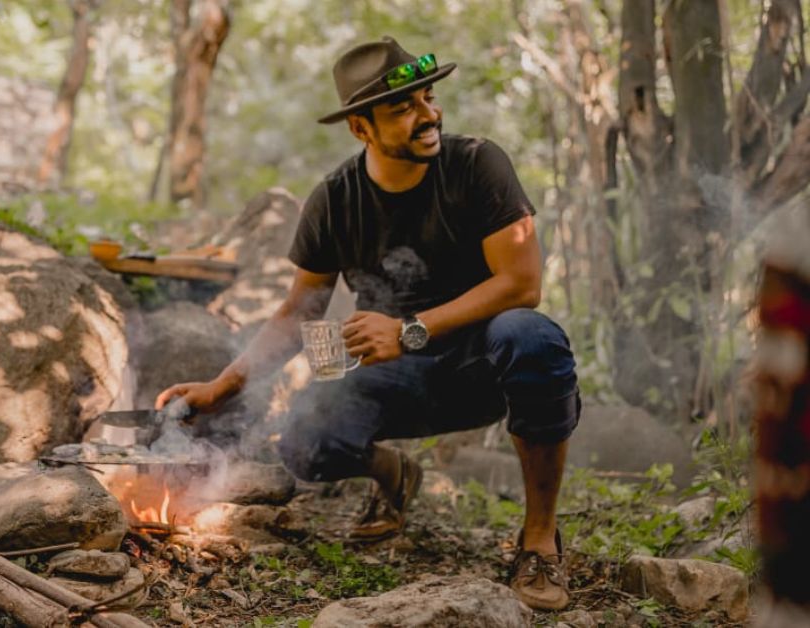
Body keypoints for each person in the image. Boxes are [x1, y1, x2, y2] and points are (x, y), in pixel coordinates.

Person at [155, 36, 580, 611]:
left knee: (532, 336)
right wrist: (221, 385)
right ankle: (393, 475)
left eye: (427, 97)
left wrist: (410, 329)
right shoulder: (335, 200)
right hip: (400, 378)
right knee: (305, 439)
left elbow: (522, 284)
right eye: (404, 108)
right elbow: (298, 311)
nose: (428, 115)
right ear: (361, 129)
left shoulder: (478, 163)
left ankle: (539, 541)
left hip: (484, 365)